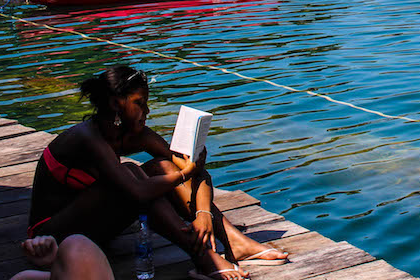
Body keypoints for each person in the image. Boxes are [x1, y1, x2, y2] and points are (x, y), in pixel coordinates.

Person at [27, 66, 288, 280]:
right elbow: (137, 192)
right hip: (52, 237)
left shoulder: (137, 135)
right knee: (132, 172)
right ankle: (203, 257)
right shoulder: (88, 137)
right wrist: (186, 173)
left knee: (163, 167)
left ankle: (235, 243)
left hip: (94, 229)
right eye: (140, 103)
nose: (147, 111)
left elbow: (196, 170)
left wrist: (203, 214)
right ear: (116, 103)